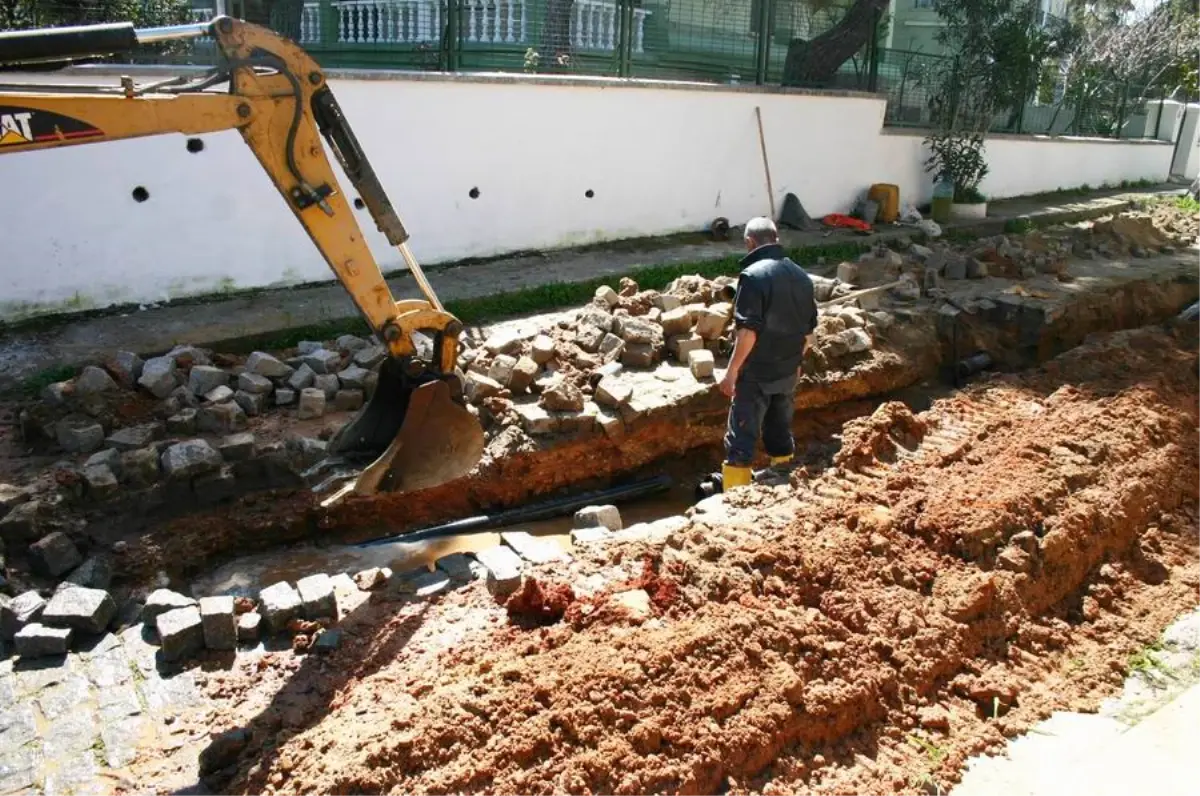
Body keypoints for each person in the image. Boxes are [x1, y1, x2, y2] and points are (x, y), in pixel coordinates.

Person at [717, 216, 818, 491]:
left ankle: (733, 501)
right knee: (779, 431)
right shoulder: (801, 276)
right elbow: (808, 333)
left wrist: (732, 372)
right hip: (787, 371)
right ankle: (783, 484)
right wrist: (797, 363)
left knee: (741, 440)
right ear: (776, 240)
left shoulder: (752, 277)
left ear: (749, 242)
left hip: (756, 376)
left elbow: (748, 332)